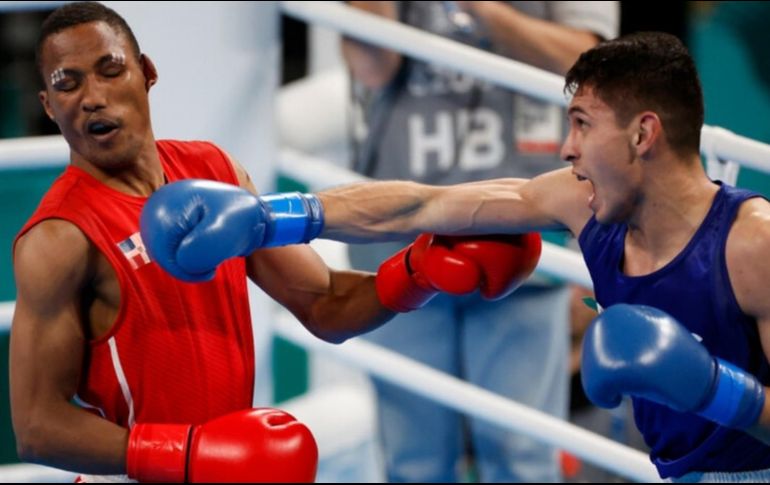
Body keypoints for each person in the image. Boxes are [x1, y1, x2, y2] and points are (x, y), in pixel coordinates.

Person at [144, 32, 770, 481]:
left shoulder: (752, 243)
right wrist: (270, 218)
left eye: (582, 123)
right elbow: (418, 208)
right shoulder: (580, 201)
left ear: (643, 133)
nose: (565, 147)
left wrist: (715, 389)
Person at [10, 2, 540, 481]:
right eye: (68, 83)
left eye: (110, 69)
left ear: (146, 73)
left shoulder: (212, 172)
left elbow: (323, 300)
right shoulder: (60, 237)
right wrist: (193, 453)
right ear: (49, 106)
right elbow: (37, 425)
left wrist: (416, 273)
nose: (93, 98)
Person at [340, 1, 618, 481]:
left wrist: (483, 9)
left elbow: (589, 64)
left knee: (521, 456)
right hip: (404, 235)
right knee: (414, 461)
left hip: (526, 227)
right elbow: (371, 67)